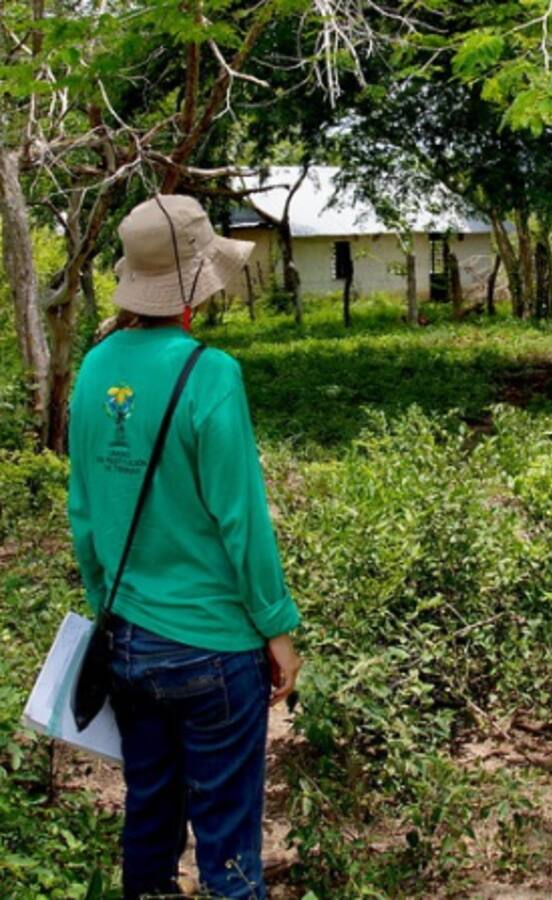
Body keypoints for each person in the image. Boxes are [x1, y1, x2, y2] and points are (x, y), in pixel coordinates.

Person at [67, 194, 302, 900]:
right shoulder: (210, 374)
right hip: (213, 648)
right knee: (228, 847)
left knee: (148, 820)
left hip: (130, 643)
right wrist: (279, 627)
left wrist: (105, 607)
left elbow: (83, 514)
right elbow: (242, 521)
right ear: (196, 284)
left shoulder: (92, 369)